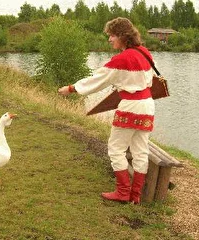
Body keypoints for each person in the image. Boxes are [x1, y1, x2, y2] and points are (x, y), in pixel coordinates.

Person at [58, 17, 155, 204]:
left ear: (122, 36)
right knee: (140, 150)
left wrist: (71, 88)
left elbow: (97, 80)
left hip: (131, 106)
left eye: (111, 35)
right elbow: (147, 80)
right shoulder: (145, 53)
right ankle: (135, 196)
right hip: (148, 105)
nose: (109, 39)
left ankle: (123, 192)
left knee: (116, 149)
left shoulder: (121, 59)